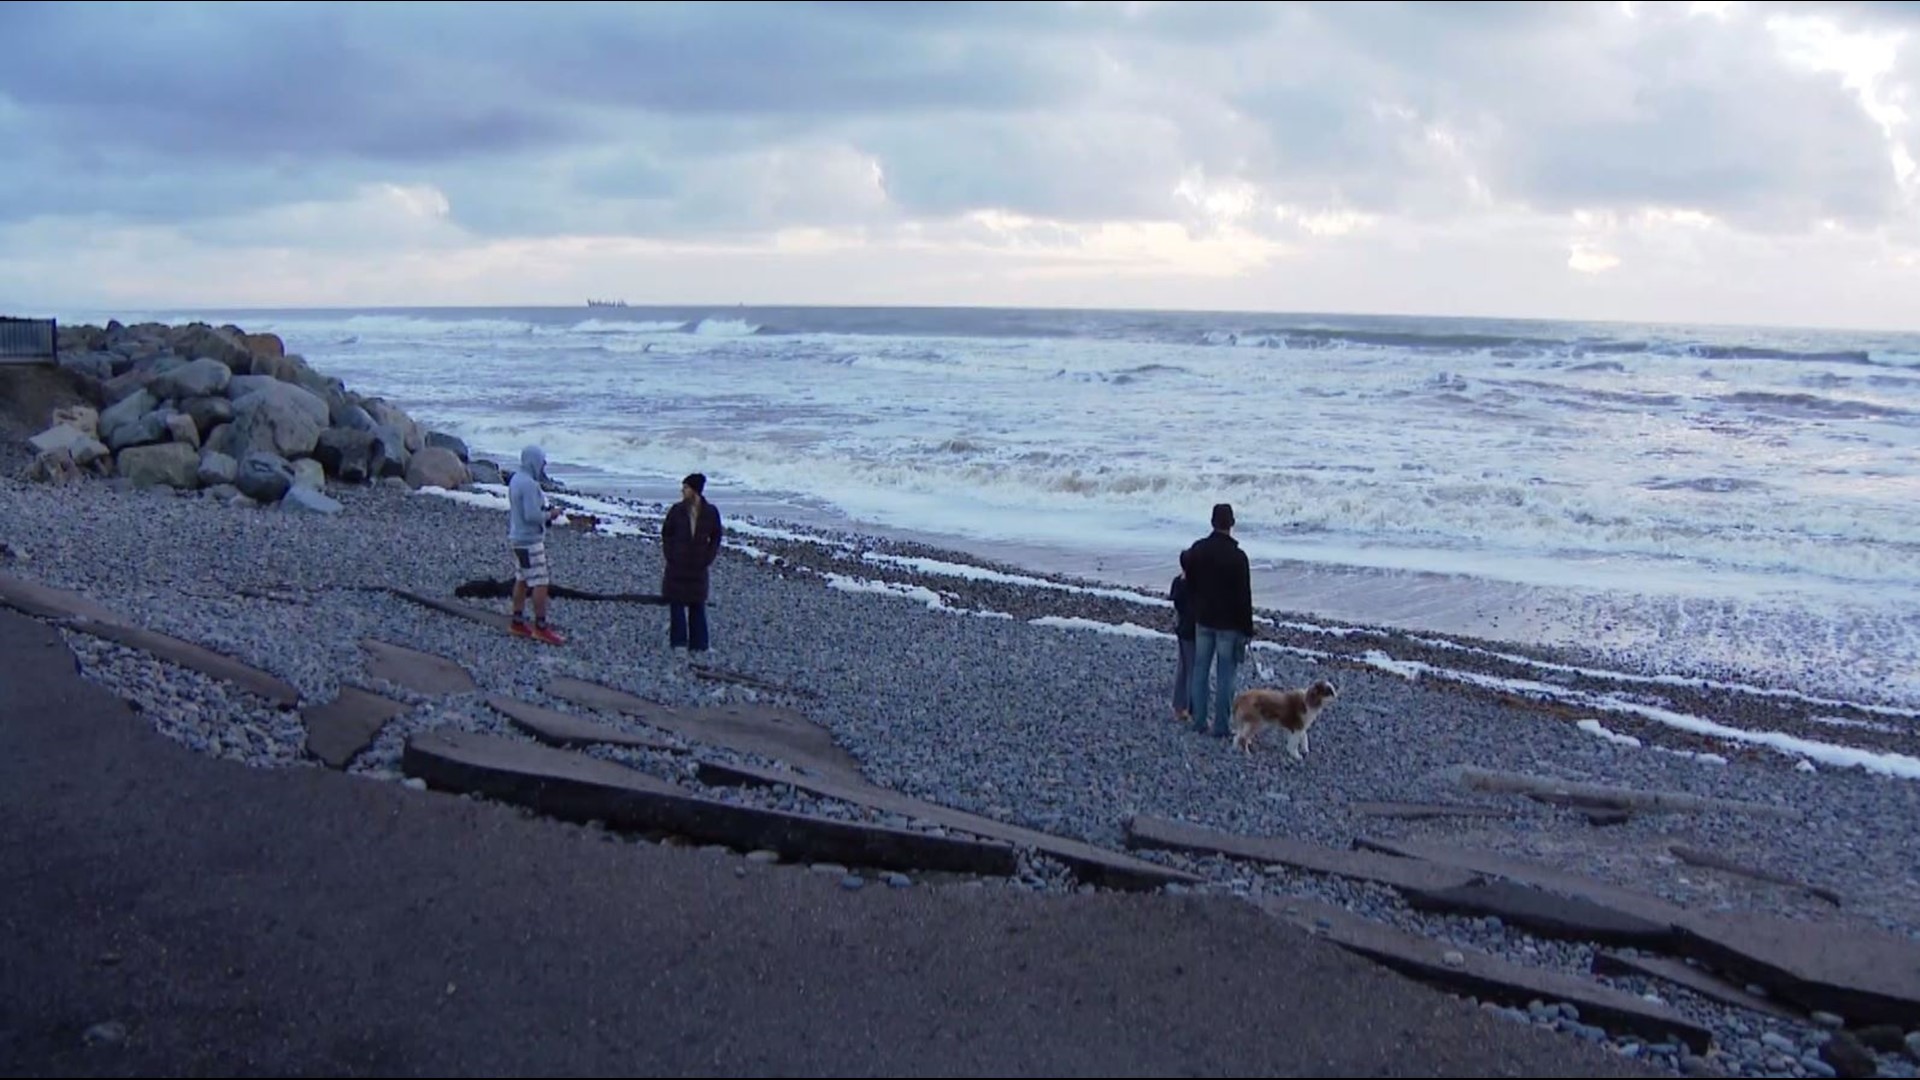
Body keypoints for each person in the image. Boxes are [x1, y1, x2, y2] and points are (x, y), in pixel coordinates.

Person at [1183, 502, 1254, 738]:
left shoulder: (1199, 549)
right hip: (1229, 625)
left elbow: (1186, 565)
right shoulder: (1238, 557)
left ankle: (1199, 721)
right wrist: (1248, 629)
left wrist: (1194, 604)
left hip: (1203, 620)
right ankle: (1221, 726)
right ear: (1231, 524)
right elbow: (1244, 597)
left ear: (1212, 523)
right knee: (1226, 676)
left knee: (1200, 671)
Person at [508, 445, 566, 645]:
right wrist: (552, 514)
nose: (544, 466)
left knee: (522, 579)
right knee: (540, 583)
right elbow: (532, 516)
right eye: (542, 461)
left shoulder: (516, 479)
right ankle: (541, 627)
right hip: (530, 541)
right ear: (534, 461)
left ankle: (517, 621)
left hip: (517, 538)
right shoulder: (530, 485)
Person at [661, 472, 723, 657]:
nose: (682, 490)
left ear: (694, 490)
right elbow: (666, 534)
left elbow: (716, 536)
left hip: (698, 565)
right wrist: (670, 555)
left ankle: (700, 644)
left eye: (686, 487)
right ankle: (678, 642)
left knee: (698, 605)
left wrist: (708, 557)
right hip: (677, 564)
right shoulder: (677, 510)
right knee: (677, 604)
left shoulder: (710, 512)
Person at [1170, 549, 1196, 724]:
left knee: (1183, 667)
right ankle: (1189, 707)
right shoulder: (1195, 586)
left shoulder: (1177, 582)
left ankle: (1179, 706)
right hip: (1191, 630)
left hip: (1180, 627)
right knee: (1193, 669)